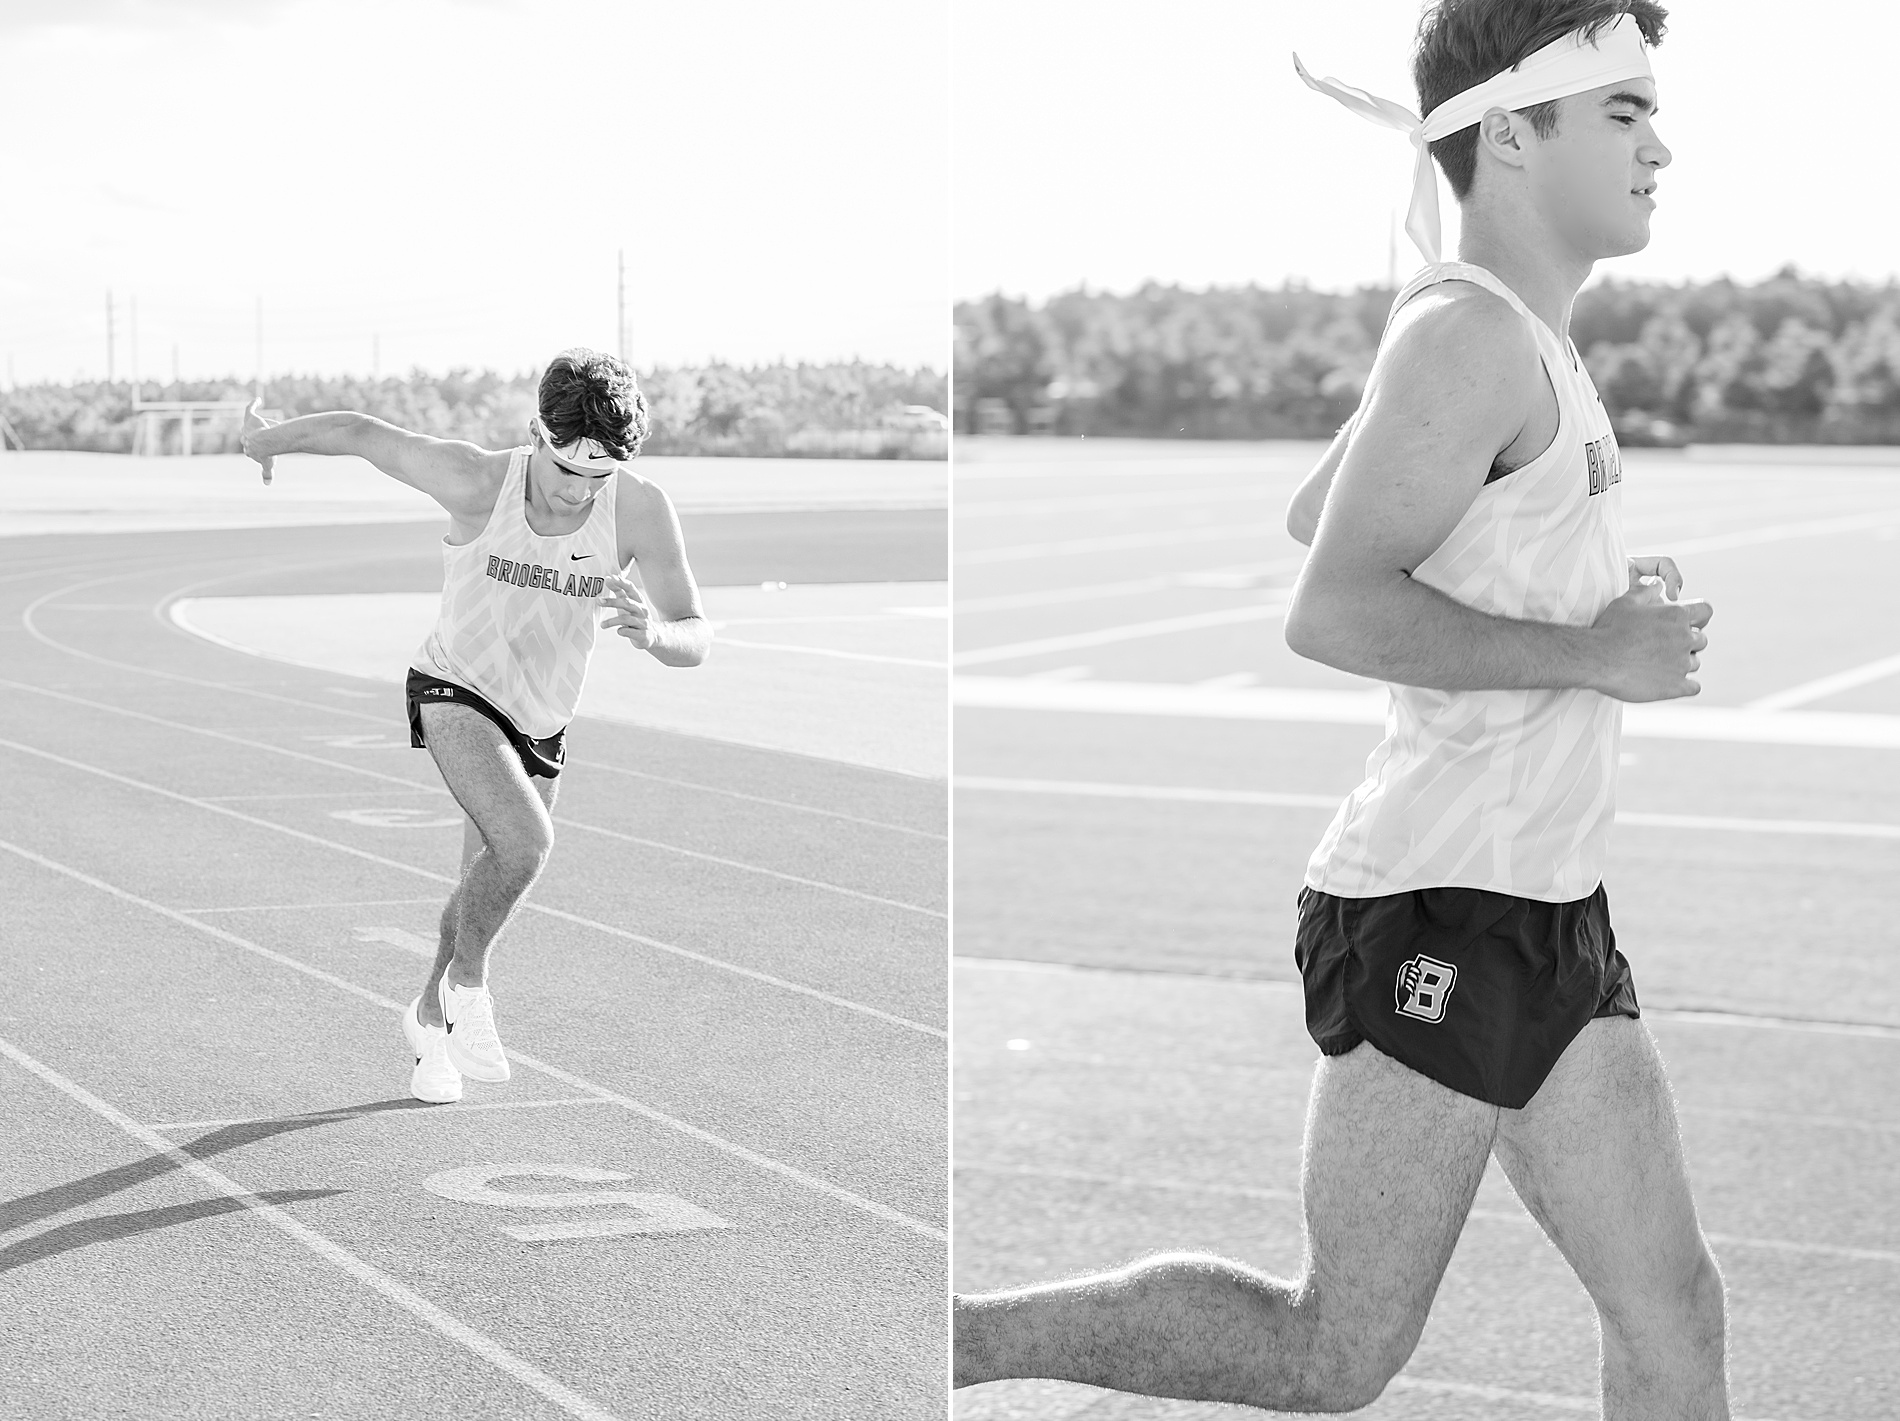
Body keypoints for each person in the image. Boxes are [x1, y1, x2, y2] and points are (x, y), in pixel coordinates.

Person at [954, 2, 1729, 1415]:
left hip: (1551, 905)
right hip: (1439, 906)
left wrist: (1583, 607)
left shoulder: (1506, 336)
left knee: (1672, 1310)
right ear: (1512, 131)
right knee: (1334, 1351)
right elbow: (1332, 604)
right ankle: (949, 1341)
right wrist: (1595, 653)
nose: (1661, 144)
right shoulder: (1474, 340)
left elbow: (1325, 503)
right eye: (1625, 111)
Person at [239, 349, 711, 1106]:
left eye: (598, 478)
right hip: (454, 686)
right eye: (566, 471)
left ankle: (429, 1022)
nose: (579, 492)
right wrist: (268, 440)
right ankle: (469, 987)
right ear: (537, 434)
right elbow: (364, 432)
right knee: (526, 844)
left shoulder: (643, 507)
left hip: (541, 721)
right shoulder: (478, 479)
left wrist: (657, 634)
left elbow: (695, 630)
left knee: (479, 884)